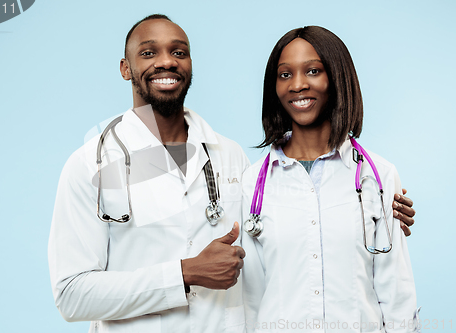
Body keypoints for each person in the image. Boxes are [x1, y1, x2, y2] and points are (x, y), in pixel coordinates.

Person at [48, 15, 415, 333]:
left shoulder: (231, 158)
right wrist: (184, 273)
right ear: (126, 68)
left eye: (179, 52)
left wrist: (384, 208)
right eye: (148, 53)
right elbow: (71, 295)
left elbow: (290, 236)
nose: (166, 62)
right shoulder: (91, 165)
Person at [242, 26, 419, 332]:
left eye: (313, 71)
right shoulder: (252, 183)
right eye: (285, 74)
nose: (297, 85)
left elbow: (396, 291)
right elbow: (251, 298)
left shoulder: (378, 176)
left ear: (337, 78)